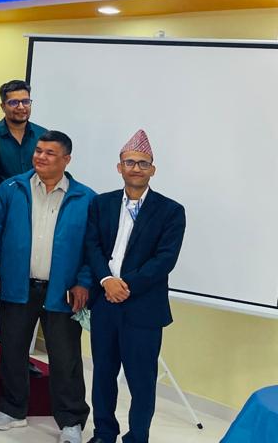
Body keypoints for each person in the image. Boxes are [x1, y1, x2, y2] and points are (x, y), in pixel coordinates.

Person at [0, 131, 93, 443]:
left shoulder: (86, 198)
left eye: (49, 153)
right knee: (13, 350)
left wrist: (84, 283)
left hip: (63, 292)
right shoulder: (11, 188)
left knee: (65, 357)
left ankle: (71, 421)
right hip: (17, 285)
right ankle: (13, 410)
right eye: (38, 150)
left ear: (66, 159)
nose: (40, 157)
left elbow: (93, 248)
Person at [84, 130, 185, 443]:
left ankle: (138, 437)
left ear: (153, 169)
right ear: (120, 167)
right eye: (130, 162)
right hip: (105, 303)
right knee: (103, 374)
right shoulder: (101, 204)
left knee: (142, 381)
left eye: (143, 163)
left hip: (143, 308)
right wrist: (106, 281)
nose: (136, 168)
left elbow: (164, 259)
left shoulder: (171, 211)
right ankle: (104, 433)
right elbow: (92, 246)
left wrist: (124, 285)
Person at [0, 80, 47, 179]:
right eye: (13, 102)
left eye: (26, 102)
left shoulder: (43, 135)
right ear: (3, 107)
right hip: (1, 189)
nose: (21, 107)